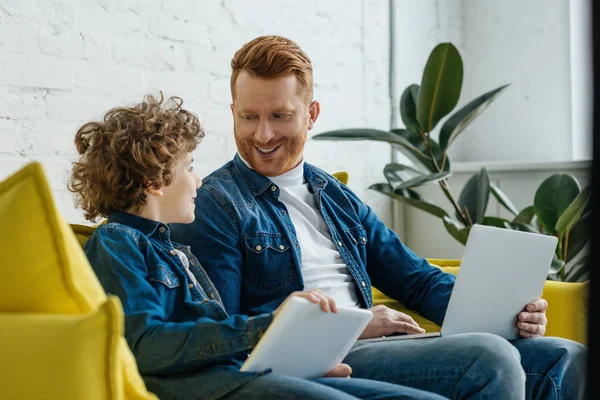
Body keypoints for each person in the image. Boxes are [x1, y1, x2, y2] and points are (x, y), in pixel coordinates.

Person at [170, 35, 588, 400]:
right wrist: (348, 326)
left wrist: (507, 313)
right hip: (319, 361)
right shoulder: (214, 204)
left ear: (311, 114)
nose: (262, 135)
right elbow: (225, 332)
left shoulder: (335, 196)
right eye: (249, 117)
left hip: (374, 348)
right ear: (233, 112)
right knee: (489, 359)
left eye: (279, 115)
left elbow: (417, 279)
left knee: (564, 357)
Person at [68, 93, 447, 400]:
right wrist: (267, 327)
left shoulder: (173, 252)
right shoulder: (117, 243)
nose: (198, 182)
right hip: (202, 389)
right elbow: (146, 346)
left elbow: (215, 337)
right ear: (155, 180)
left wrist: (297, 357)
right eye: (189, 168)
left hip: (239, 375)